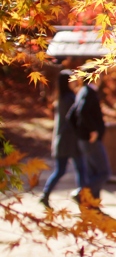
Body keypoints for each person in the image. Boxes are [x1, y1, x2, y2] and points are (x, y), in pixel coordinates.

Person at [39, 70, 86, 209]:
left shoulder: (60, 98)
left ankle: (45, 194)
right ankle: (81, 195)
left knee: (60, 170)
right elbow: (76, 119)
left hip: (61, 139)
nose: (75, 82)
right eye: (72, 80)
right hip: (70, 140)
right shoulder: (70, 98)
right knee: (80, 168)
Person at [66, 75, 111, 204]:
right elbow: (81, 112)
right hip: (90, 140)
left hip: (84, 139)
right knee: (104, 173)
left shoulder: (82, 91)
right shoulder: (89, 92)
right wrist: (92, 131)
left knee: (94, 173)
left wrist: (80, 134)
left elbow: (71, 116)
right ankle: (81, 193)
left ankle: (92, 203)